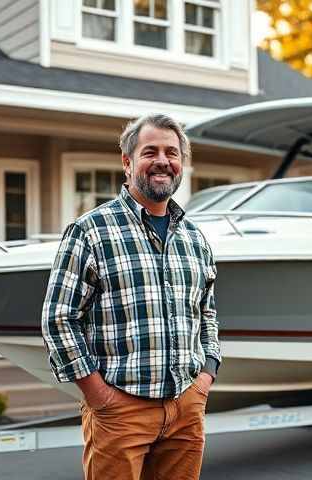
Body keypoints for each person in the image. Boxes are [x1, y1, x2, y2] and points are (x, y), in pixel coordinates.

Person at [41, 113, 220, 480]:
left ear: (181, 164)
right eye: (149, 151)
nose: (162, 161)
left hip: (186, 407)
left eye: (172, 152)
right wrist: (98, 395)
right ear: (127, 162)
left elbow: (208, 313)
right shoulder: (91, 230)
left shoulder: (195, 238)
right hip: (120, 409)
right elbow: (59, 318)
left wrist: (206, 376)